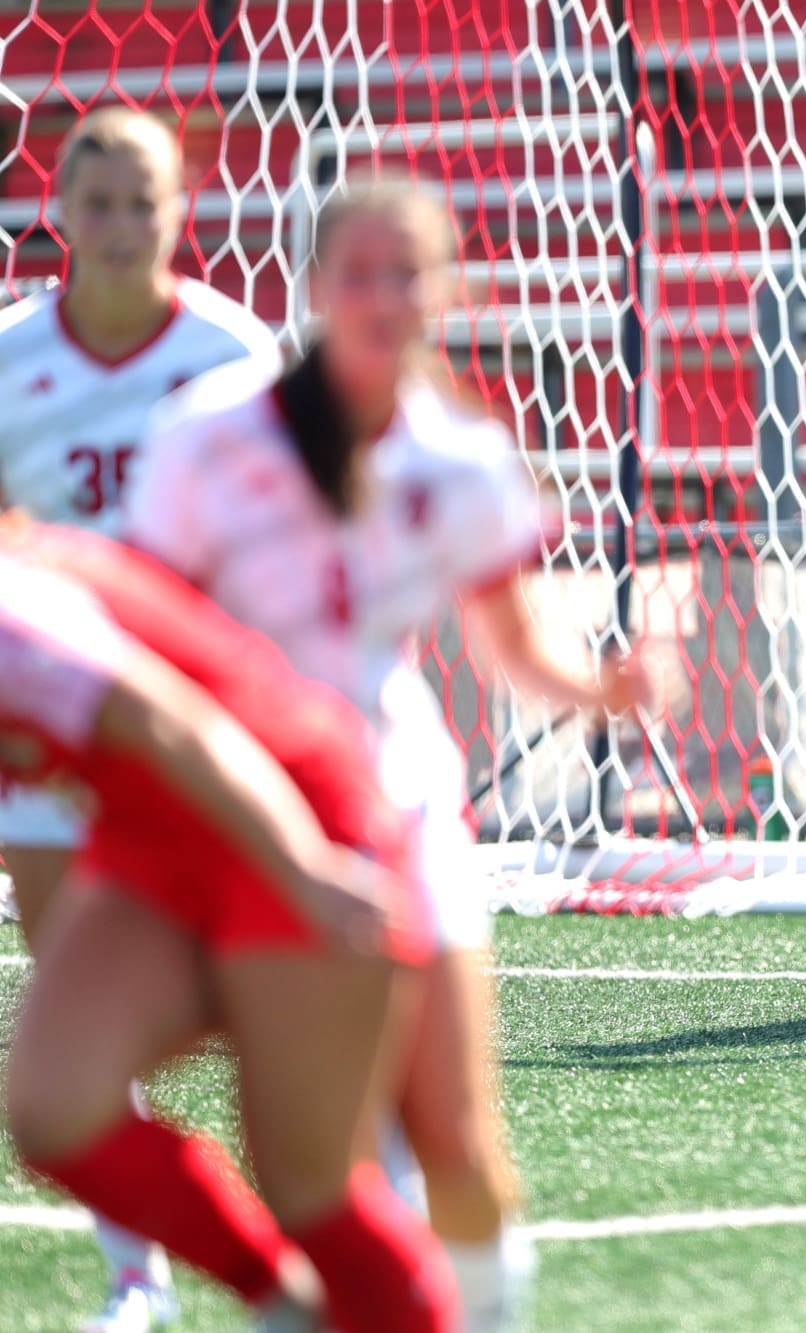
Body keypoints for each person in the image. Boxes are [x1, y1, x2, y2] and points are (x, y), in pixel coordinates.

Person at [127, 177, 657, 1332]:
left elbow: (511, 642)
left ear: (447, 290)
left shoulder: (460, 460)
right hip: (257, 810)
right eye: (357, 273)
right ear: (313, 288)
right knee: (323, 1159)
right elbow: (153, 618)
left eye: (406, 273)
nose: (382, 296)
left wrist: (597, 686)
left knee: (459, 1144)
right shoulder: (211, 435)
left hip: (401, 810)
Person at [0, 520, 457, 1332]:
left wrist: (304, 868)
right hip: (152, 839)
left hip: (292, 812)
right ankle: (291, 1308)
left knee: (314, 1189)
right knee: (55, 1108)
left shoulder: (14, 611)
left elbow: (182, 727)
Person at [0, 107, 279, 1333]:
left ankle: (336, 1227)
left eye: (142, 204)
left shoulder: (237, 357)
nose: (119, 228)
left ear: (182, 214)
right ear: (55, 212)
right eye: (96, 204)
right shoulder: (11, 362)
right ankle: (137, 1276)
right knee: (76, 991)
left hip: (204, 718)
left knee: (268, 986)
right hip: (58, 733)